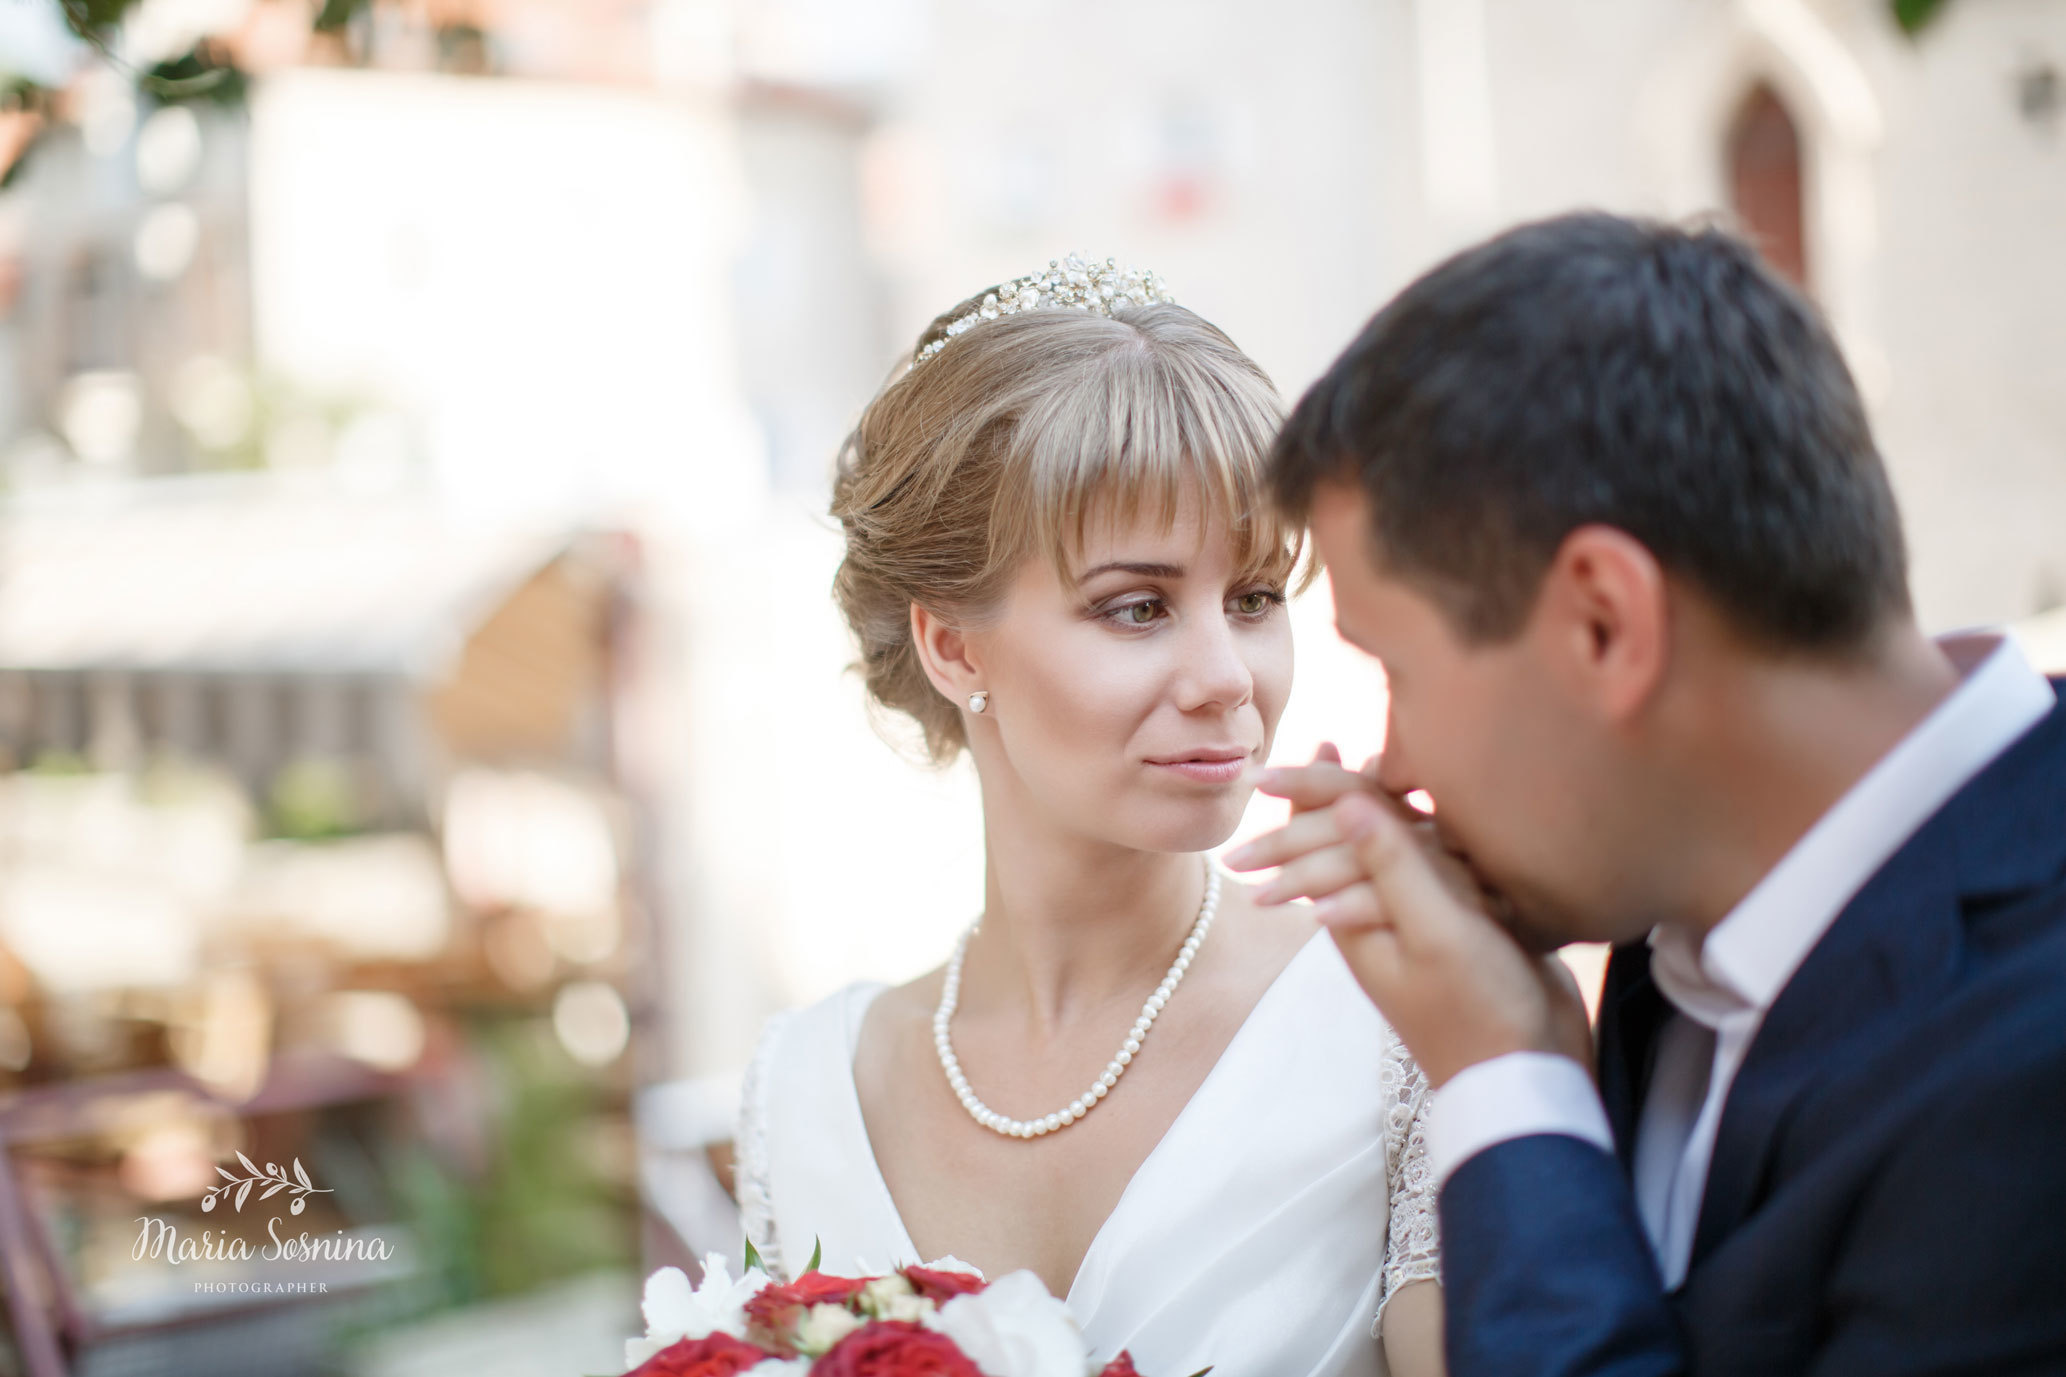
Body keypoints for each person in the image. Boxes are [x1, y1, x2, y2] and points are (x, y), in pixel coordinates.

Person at [1228, 212, 2066, 1375]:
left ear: (1603, 622)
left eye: (1396, 674)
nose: (1390, 769)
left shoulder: (2031, 1076)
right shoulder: (1665, 902)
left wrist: (1501, 1085)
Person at [733, 256, 1445, 1377]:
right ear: (952, 644)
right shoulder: (813, 1087)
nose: (1225, 676)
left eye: (1254, 598)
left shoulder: (1394, 1029)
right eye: (1136, 607)